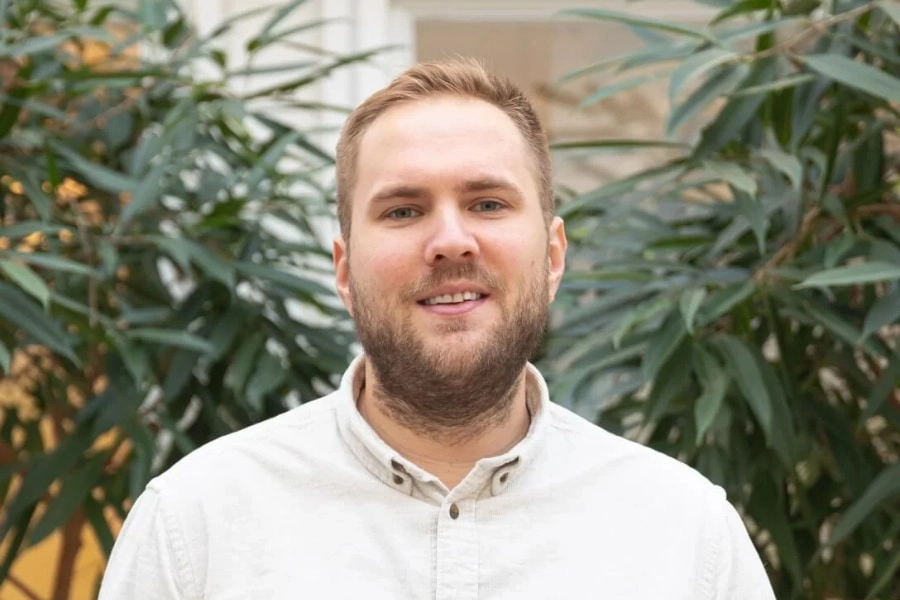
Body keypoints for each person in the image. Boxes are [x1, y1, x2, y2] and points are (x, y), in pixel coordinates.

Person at [99, 58, 776, 599]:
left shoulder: (686, 535)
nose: (451, 241)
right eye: (402, 211)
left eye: (488, 203)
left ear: (553, 256)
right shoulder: (195, 525)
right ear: (344, 270)